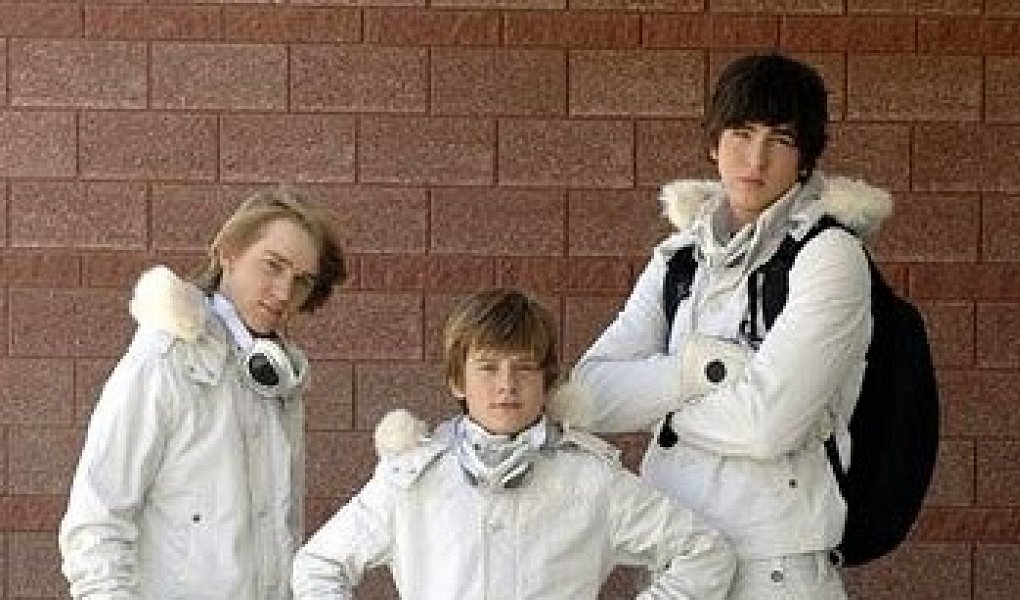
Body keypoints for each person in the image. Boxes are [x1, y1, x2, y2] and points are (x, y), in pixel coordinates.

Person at [564, 53, 892, 598]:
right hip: (675, 562)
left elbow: (767, 426)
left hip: (774, 571)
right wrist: (702, 371)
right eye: (741, 134)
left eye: (780, 140)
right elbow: (588, 394)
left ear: (805, 158)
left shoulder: (829, 256)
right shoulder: (680, 259)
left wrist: (659, 413)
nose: (755, 158)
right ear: (714, 143)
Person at [292, 288, 737, 599]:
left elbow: (704, 553)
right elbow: (319, 565)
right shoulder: (411, 478)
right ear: (457, 380)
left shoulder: (590, 479)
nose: (507, 385)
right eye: (488, 368)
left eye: (523, 368)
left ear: (547, 380)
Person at [59, 187, 348, 599]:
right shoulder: (162, 363)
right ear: (228, 252)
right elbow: (95, 527)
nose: (284, 292)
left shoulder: (278, 380)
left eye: (301, 280)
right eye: (273, 266)